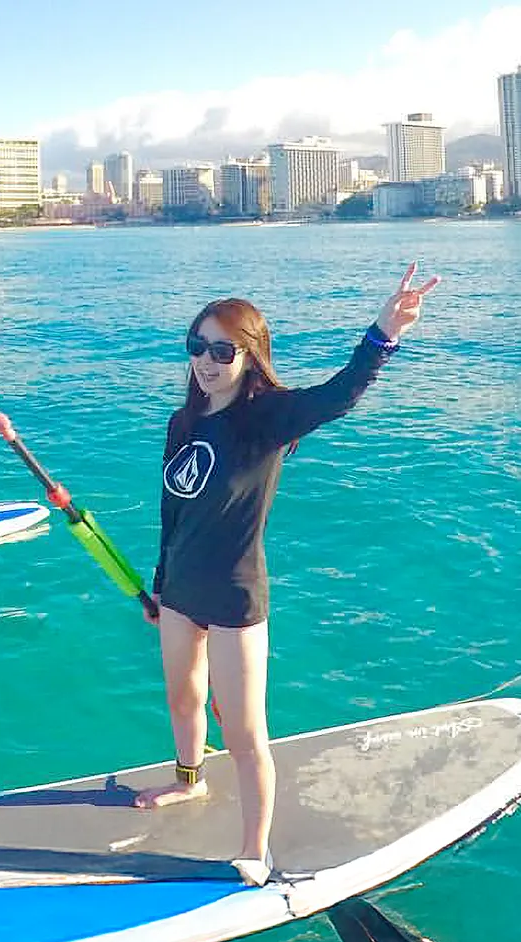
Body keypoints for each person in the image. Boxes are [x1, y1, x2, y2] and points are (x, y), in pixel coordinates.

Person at [134, 265, 440, 885]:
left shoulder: (264, 420)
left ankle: (255, 848)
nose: (208, 361)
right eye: (198, 347)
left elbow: (340, 394)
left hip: (235, 594)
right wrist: (161, 583)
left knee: (244, 731)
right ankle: (188, 780)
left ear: (249, 354)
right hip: (181, 590)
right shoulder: (183, 422)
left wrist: (382, 333)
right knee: (183, 697)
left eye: (223, 350)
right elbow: (174, 511)